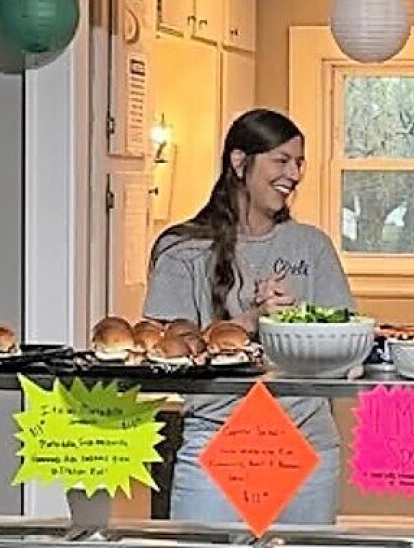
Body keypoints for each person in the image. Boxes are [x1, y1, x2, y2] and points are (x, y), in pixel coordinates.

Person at [143, 108, 355, 524]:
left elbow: (344, 343)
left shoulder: (312, 246)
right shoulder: (182, 249)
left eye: (299, 162)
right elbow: (167, 353)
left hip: (306, 446)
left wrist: (308, 327)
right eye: (281, 160)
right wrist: (252, 319)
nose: (294, 173)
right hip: (216, 445)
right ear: (240, 163)